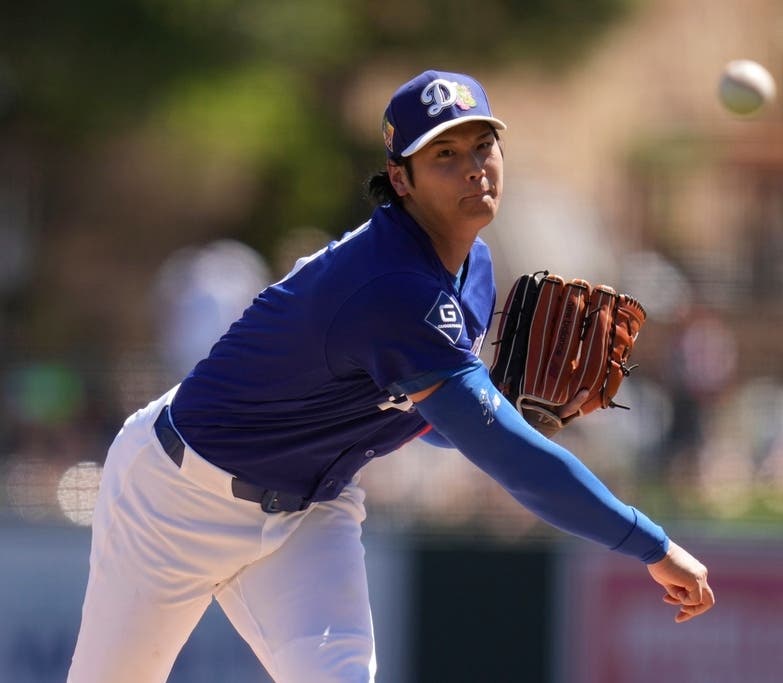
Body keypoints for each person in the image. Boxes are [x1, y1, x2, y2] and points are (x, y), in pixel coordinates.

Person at [68, 69, 714, 683]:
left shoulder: (473, 266)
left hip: (310, 507)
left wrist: (487, 411)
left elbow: (430, 420)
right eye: (443, 155)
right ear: (399, 179)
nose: (472, 166)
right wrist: (649, 544)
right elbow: (509, 459)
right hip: (176, 499)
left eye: (482, 144)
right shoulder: (391, 287)